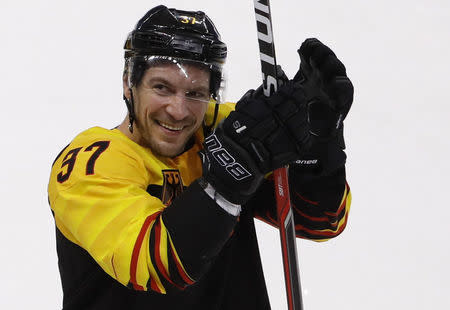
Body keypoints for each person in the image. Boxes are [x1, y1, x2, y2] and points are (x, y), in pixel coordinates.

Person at [48, 5, 353, 310]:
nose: (178, 111)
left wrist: (316, 142)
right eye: (161, 88)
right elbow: (157, 263)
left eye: (195, 93)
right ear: (129, 83)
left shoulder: (221, 131)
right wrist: (229, 176)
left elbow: (321, 220)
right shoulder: (89, 164)